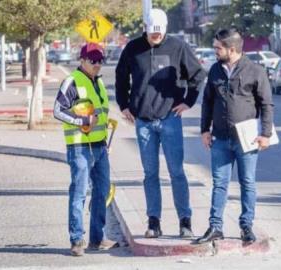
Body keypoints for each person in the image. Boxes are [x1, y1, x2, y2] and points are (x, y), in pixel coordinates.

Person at [115, 8, 206, 238]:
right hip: (143, 121)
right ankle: (153, 222)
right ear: (145, 27)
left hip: (170, 119)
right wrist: (124, 104)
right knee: (150, 174)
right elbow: (120, 76)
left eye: (160, 33)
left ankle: (185, 221)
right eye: (152, 32)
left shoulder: (177, 47)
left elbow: (197, 76)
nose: (156, 37)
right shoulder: (133, 48)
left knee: (176, 172)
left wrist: (188, 102)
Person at [196, 28, 273, 245]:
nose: (215, 51)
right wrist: (204, 130)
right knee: (219, 183)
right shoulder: (214, 71)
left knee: (247, 182)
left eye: (217, 48)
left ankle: (246, 225)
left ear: (231, 49)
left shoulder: (255, 71)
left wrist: (265, 134)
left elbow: (266, 104)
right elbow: (208, 102)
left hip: (247, 139)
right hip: (220, 138)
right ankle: (215, 226)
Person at [53, 43, 110, 256]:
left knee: (102, 191)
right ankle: (77, 240)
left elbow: (101, 113)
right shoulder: (72, 81)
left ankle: (97, 238)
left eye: (99, 60)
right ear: (82, 60)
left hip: (100, 146)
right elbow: (58, 110)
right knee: (79, 193)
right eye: (92, 60)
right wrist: (82, 120)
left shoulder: (99, 82)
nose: (96, 64)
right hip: (79, 147)